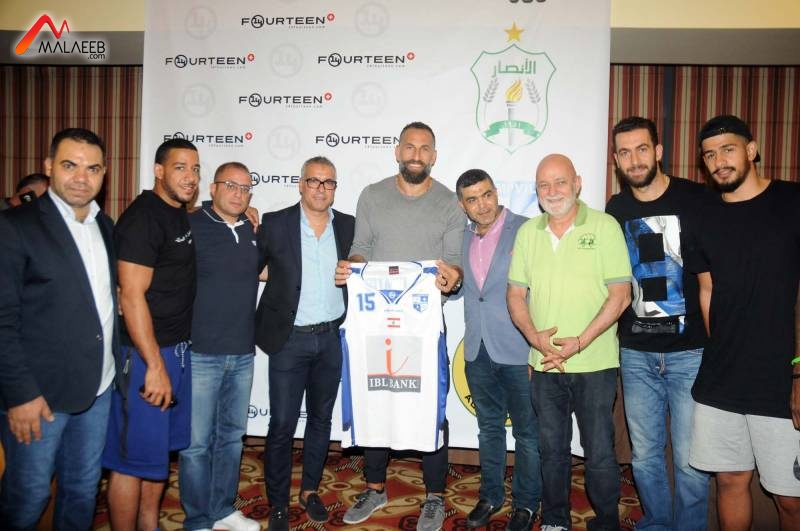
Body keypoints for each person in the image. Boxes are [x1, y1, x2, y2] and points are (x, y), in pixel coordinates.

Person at [335, 121, 465, 531]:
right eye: (409, 146)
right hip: (377, 322)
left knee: (430, 406)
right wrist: (352, 270)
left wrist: (452, 277)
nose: (416, 154)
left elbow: (454, 263)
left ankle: (435, 496)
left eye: (425, 148)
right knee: (376, 398)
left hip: (424, 326)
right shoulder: (372, 195)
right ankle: (375, 488)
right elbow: (360, 249)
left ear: (434, 156)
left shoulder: (449, 203)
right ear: (397, 151)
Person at [686, 115, 800, 530]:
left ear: (751, 150)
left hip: (782, 377)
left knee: (790, 497)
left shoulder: (792, 201)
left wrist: (799, 370)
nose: (719, 161)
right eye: (709, 155)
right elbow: (707, 290)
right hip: (722, 376)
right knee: (730, 480)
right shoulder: (702, 216)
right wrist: (721, 347)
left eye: (728, 149)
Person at [507, 154, 632, 531]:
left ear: (577, 183)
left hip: (595, 363)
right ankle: (555, 519)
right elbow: (515, 295)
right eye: (543, 185)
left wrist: (580, 342)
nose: (552, 191)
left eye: (560, 182)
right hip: (545, 364)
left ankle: (606, 522)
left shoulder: (605, 226)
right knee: (552, 451)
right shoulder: (528, 233)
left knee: (599, 452)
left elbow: (621, 296)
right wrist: (534, 338)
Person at [0, 128, 117, 529]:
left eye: (93, 168)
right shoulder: (15, 227)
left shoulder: (106, 226)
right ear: (49, 166)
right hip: (40, 398)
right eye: (70, 165)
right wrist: (20, 395)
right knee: (28, 497)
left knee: (82, 490)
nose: (82, 177)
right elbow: (3, 319)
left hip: (98, 390)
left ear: (104, 173)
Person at [605, 116, 710, 530]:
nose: (634, 159)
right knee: (645, 456)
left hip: (690, 352)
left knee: (690, 459)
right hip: (636, 354)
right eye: (625, 152)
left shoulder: (696, 198)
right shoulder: (616, 209)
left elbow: (713, 277)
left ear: (659, 151)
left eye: (642, 149)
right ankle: (657, 523)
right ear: (616, 160)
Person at [102, 138, 199, 530]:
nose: (190, 177)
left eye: (195, 169)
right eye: (180, 167)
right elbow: (130, 295)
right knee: (131, 461)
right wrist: (154, 365)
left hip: (173, 352)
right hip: (145, 357)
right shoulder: (143, 218)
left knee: (155, 455)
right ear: (159, 171)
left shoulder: (175, 211)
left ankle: (149, 524)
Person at [256, 156, 355, 531]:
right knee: (282, 424)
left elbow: (362, 269)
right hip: (289, 340)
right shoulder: (274, 223)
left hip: (330, 338)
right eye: (314, 181)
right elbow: (253, 267)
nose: (320, 188)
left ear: (335, 188)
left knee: (320, 420)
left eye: (328, 182)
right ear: (301, 184)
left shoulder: (348, 226)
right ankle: (278, 503)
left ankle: (309, 490)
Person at [454, 169, 541, 531]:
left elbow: (542, 290)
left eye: (487, 194)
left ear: (496, 192)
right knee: (488, 428)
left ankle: (526, 504)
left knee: (527, 433)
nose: (482, 205)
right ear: (463, 205)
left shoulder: (526, 229)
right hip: (477, 350)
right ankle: (490, 496)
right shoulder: (460, 237)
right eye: (472, 199)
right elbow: (463, 290)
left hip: (519, 350)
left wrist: (537, 348)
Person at [178, 162, 260, 531]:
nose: (238, 193)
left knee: (231, 439)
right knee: (196, 444)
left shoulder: (253, 229)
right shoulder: (190, 225)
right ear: (212, 188)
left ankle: (222, 509)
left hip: (242, 353)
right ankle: (197, 520)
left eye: (245, 188)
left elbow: (266, 270)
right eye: (231, 185)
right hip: (201, 353)